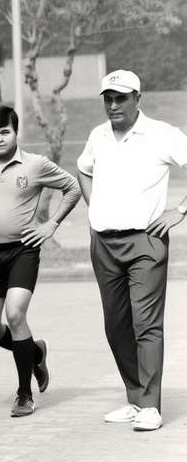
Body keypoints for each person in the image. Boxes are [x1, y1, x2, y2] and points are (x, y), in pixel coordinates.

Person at [0, 105, 81, 416]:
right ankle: (34, 352)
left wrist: (51, 224)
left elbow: (72, 188)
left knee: (16, 314)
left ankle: (24, 394)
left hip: (23, 250)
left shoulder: (36, 165)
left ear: (16, 132)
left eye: (4, 132)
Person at [76, 69, 187, 431]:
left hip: (146, 240)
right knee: (116, 325)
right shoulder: (98, 135)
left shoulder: (161, 134)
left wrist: (180, 210)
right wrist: (94, 208)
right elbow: (83, 170)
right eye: (108, 98)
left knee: (146, 324)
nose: (113, 105)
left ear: (138, 98)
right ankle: (135, 397)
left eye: (121, 98)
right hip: (104, 242)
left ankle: (151, 406)